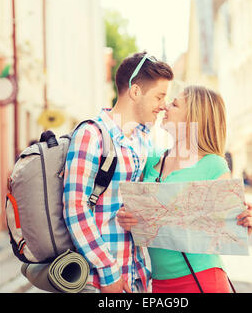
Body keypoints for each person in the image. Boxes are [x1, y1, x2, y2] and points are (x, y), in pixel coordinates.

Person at [117, 85, 252, 293]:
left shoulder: (213, 165)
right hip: (158, 283)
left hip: (203, 279)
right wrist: (126, 218)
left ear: (192, 118)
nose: (165, 106)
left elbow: (231, 227)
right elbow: (136, 213)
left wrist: (246, 222)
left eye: (174, 104)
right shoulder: (153, 160)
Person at [63, 52, 174, 293]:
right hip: (100, 282)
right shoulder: (92, 135)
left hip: (137, 276)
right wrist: (108, 271)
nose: (164, 105)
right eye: (159, 96)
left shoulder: (142, 141)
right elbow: (75, 209)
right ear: (135, 92)